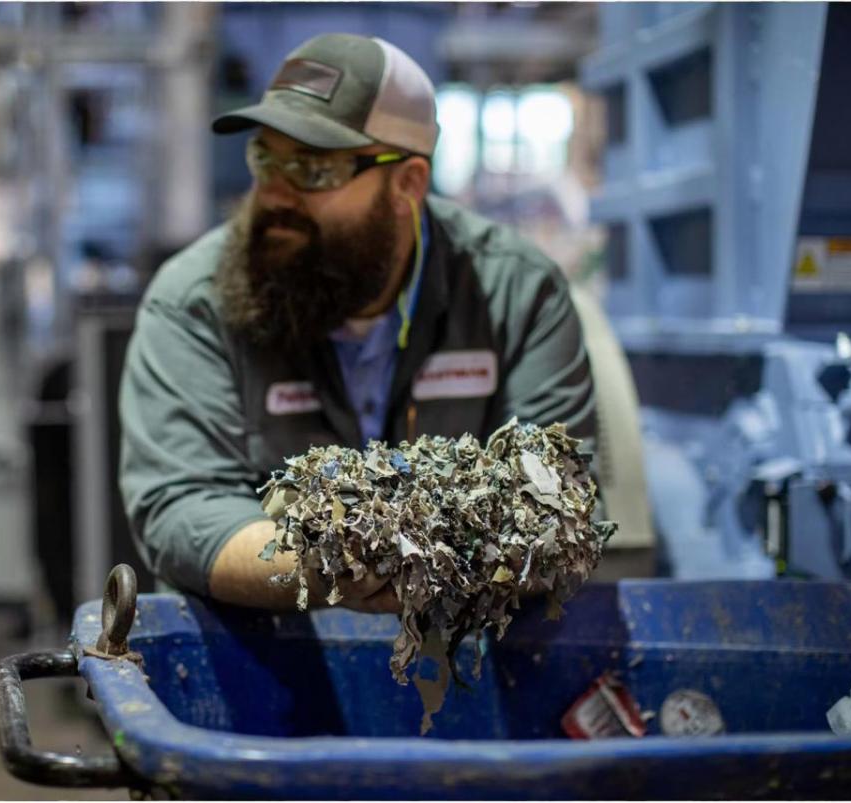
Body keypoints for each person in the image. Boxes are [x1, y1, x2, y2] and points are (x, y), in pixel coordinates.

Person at [120, 33, 595, 614]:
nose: (274, 194)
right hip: (267, 659)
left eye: (313, 170)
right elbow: (182, 507)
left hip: (463, 662)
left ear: (406, 185)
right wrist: (321, 567)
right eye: (265, 158)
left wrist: (425, 561)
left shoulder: (516, 294)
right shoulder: (194, 301)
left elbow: (554, 503)